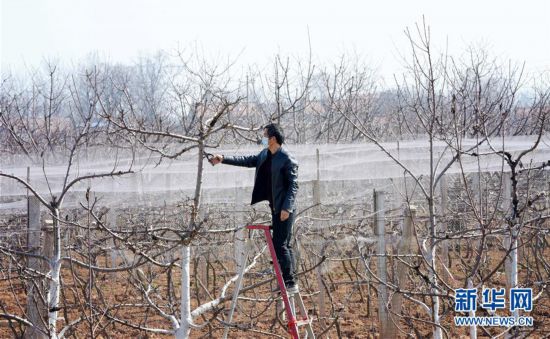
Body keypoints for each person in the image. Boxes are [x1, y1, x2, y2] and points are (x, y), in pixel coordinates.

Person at [211, 123, 299, 293]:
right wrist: (223, 158)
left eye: (265, 135)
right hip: (275, 208)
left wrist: (286, 208)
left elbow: (293, 186)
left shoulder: (287, 159)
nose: (263, 139)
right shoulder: (265, 155)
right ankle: (286, 281)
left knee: (282, 245)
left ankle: (291, 282)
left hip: (285, 209)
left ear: (273, 139)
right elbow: (247, 160)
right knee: (279, 245)